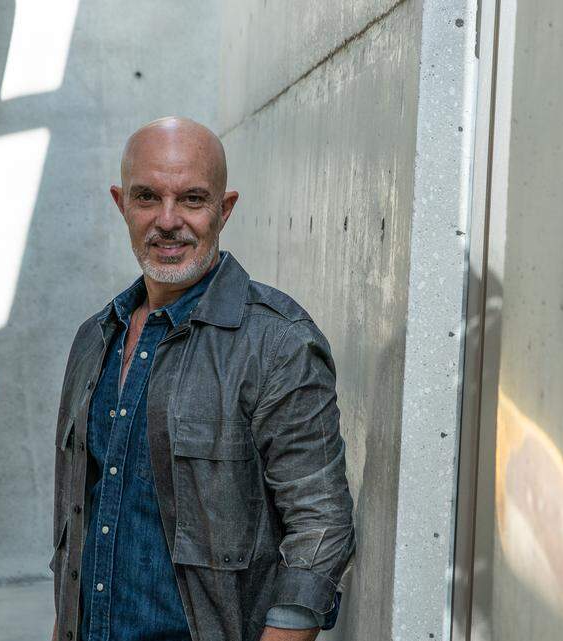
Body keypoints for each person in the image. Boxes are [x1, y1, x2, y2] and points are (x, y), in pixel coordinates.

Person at [50, 117, 355, 641]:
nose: (168, 221)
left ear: (224, 209)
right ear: (121, 204)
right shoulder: (94, 339)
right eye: (147, 198)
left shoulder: (277, 342)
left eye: (191, 199)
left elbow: (320, 526)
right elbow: (80, 528)